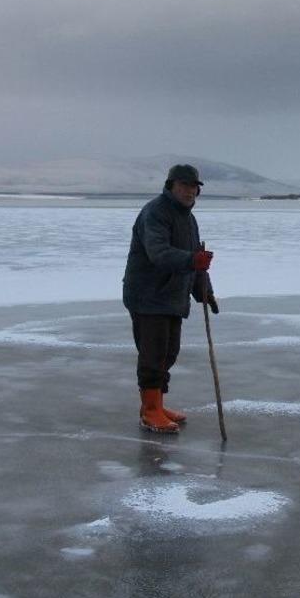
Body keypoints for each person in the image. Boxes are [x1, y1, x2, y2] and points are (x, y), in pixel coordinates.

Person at [122, 163, 219, 433]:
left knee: (168, 353)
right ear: (170, 186)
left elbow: (196, 261)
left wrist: (205, 291)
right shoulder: (155, 213)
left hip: (172, 296)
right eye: (184, 185)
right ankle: (150, 411)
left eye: (194, 186)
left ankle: (156, 404)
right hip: (148, 294)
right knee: (153, 354)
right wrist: (192, 260)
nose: (190, 191)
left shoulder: (188, 219)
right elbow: (159, 253)